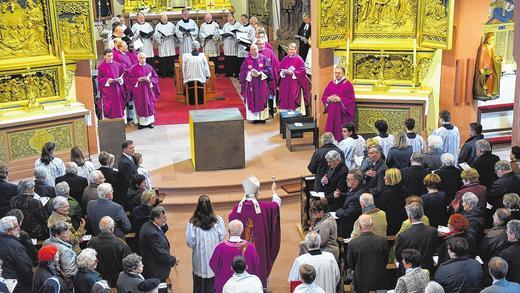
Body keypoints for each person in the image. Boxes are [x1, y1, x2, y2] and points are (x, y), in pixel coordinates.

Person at [228, 175, 280, 289]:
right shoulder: (265, 208)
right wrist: (274, 191)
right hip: (259, 251)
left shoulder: (236, 209)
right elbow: (276, 205)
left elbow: (231, 222)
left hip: (241, 251)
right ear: (257, 193)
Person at [186, 195, 226, 293]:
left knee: (199, 285)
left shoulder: (192, 223)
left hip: (199, 259)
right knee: (214, 283)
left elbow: (190, 242)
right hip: (214, 257)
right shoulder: (218, 220)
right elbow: (222, 237)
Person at [209, 220, 260, 293]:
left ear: (229, 231)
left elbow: (213, 265)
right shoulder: (250, 247)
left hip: (224, 286)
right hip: (247, 287)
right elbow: (256, 264)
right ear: (242, 231)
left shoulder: (220, 248)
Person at [346, 214, 389, 293]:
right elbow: (386, 260)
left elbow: (351, 264)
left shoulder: (353, 243)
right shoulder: (383, 241)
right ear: (372, 225)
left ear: (359, 226)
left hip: (361, 281)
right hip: (380, 279)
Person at [88, 216, 131, 287]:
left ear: (100, 228)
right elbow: (129, 263)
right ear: (112, 228)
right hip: (117, 280)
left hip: (99, 280)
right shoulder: (120, 243)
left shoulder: (92, 242)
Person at [395, 203, 438, 273]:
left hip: (410, 271)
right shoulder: (433, 232)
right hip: (427, 269)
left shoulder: (403, 236)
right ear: (422, 214)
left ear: (409, 217)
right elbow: (434, 248)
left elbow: (398, 255)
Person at [139, 206, 177, 281]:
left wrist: (163, 222)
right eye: (163, 217)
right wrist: (173, 260)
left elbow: (163, 228)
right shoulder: (153, 234)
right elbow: (160, 253)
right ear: (156, 219)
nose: (165, 219)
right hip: (155, 270)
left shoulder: (148, 225)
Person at [239, 43, 272, 123]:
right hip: (251, 84)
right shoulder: (247, 60)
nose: (254, 51)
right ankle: (254, 118)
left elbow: (269, 69)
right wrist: (250, 73)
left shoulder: (264, 58)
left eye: (255, 49)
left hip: (261, 83)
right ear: (250, 51)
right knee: (252, 98)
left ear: (258, 49)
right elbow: (242, 72)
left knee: (262, 98)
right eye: (252, 49)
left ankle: (262, 118)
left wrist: (260, 73)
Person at [126, 52, 160, 129]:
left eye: (143, 58)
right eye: (140, 58)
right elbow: (129, 79)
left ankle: (150, 122)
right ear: (138, 59)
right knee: (140, 105)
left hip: (148, 91)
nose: (142, 59)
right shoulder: (134, 68)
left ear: (146, 58)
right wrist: (138, 79)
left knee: (149, 105)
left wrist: (150, 80)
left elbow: (155, 78)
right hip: (139, 91)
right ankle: (140, 123)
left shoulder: (150, 67)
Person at [0, 216, 34, 293]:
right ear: (8, 231)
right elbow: (25, 268)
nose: (19, 228)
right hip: (16, 285)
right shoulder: (15, 246)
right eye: (16, 227)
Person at [321, 67, 355, 142]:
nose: (336, 75)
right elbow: (324, 96)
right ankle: (330, 143)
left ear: (343, 74)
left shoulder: (348, 84)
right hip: (332, 113)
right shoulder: (331, 83)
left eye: (339, 73)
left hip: (342, 114)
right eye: (335, 73)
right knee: (331, 128)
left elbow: (351, 99)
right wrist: (328, 98)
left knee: (340, 130)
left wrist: (340, 99)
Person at [480, 209, 512, 286]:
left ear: (499, 220)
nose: (493, 216)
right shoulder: (510, 231)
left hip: (491, 268)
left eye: (495, 215)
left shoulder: (494, 235)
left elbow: (482, 252)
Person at [278, 43, 309, 114]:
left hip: (294, 84)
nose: (291, 51)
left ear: (296, 50)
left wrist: (293, 73)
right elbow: (279, 69)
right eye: (289, 50)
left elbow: (302, 71)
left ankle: (294, 116)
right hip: (285, 84)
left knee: (293, 100)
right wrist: (283, 72)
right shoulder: (285, 59)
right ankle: (285, 116)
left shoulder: (299, 59)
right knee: (285, 100)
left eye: (292, 49)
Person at [376, 168, 409, 235]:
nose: (384, 177)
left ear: (390, 178)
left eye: (386, 176)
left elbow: (380, 209)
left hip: (390, 224)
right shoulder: (404, 190)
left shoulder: (386, 194)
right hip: (403, 222)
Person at [335, 169, 365, 237]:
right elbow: (350, 195)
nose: (346, 181)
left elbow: (350, 212)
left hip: (350, 228)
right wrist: (341, 194)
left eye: (349, 179)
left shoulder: (358, 196)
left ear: (356, 181)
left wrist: (338, 212)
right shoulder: (357, 188)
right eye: (346, 179)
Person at [98, 48, 126, 119]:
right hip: (108, 91)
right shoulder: (101, 66)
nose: (110, 58)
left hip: (117, 89)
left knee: (118, 106)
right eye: (108, 56)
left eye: (111, 55)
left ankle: (120, 121)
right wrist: (107, 80)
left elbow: (122, 75)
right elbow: (99, 79)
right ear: (104, 56)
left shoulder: (118, 64)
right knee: (110, 108)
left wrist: (120, 79)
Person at [182, 41, 211, 105]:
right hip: (200, 79)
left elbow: (183, 68)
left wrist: (184, 77)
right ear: (198, 47)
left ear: (191, 47)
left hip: (189, 79)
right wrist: (207, 76)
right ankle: (200, 101)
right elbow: (206, 67)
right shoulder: (202, 56)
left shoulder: (186, 56)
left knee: (189, 85)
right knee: (201, 83)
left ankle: (190, 101)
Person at [474, 32, 501, 98]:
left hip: (491, 65)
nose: (491, 41)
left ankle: (491, 92)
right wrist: (481, 68)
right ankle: (486, 92)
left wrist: (498, 58)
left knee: (494, 77)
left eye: (493, 40)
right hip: (485, 66)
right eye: (490, 39)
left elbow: (493, 57)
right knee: (489, 78)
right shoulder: (483, 47)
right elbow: (481, 57)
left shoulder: (491, 48)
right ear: (487, 39)